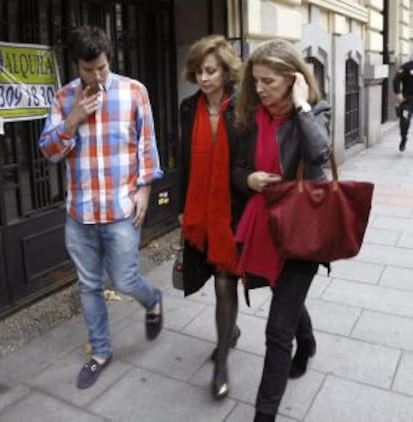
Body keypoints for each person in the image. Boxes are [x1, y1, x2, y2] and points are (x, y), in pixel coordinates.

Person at [38, 25, 164, 390]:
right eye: (88, 69)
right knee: (89, 285)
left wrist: (145, 189)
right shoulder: (64, 99)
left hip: (122, 209)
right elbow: (49, 152)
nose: (96, 76)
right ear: (76, 63)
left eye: (102, 68)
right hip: (79, 213)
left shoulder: (134, 92)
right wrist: (73, 119)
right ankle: (101, 352)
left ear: (110, 60)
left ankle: (153, 299)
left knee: (124, 279)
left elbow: (147, 145)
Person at [232, 39, 331, 422]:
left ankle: (264, 415)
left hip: (303, 231)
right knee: (284, 299)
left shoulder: (316, 110)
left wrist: (303, 107)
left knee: (276, 332)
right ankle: (306, 344)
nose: (259, 89)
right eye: (256, 80)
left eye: (269, 81)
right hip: (266, 229)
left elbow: (319, 156)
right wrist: (249, 179)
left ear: (293, 79)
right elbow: (236, 168)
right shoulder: (250, 117)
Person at [178, 34, 243, 399]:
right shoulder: (189, 108)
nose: (204, 78)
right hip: (201, 206)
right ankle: (228, 333)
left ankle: (222, 362)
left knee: (225, 280)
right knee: (219, 279)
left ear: (225, 71)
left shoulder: (242, 106)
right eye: (199, 71)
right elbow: (184, 160)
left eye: (211, 71)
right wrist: (182, 209)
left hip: (233, 208)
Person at [393, 59, 413, 151]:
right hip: (407, 100)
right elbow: (396, 79)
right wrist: (398, 93)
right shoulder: (406, 66)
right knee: (404, 121)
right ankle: (403, 138)